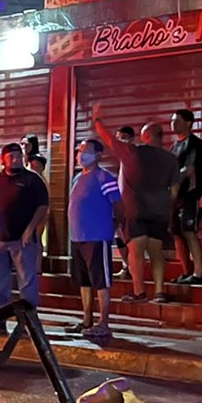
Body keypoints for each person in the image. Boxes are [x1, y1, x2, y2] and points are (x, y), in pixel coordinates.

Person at [93, 109, 181, 303]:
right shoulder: (171, 159)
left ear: (146, 136)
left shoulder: (133, 151)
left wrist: (97, 120)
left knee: (136, 252)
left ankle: (139, 292)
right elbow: (175, 189)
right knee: (157, 252)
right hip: (159, 211)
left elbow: (108, 138)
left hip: (135, 210)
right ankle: (159, 292)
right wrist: (167, 206)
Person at [68, 138, 123, 342]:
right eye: (79, 150)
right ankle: (87, 319)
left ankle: (104, 323)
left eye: (86, 150)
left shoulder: (104, 178)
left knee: (101, 281)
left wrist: (116, 226)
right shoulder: (77, 178)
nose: (80, 154)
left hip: (97, 237)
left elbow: (118, 206)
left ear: (98, 155)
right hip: (77, 238)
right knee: (84, 281)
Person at [0, 142, 50, 314]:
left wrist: (30, 229)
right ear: (3, 159)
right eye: (11, 157)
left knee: (27, 282)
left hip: (22, 240)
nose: (16, 160)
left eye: (19, 157)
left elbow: (43, 206)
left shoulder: (32, 179)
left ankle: (28, 321)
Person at [171, 108, 202, 283]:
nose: (173, 124)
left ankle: (199, 273)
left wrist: (174, 178)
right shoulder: (174, 146)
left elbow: (190, 169)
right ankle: (186, 271)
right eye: (172, 120)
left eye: (177, 120)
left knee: (189, 231)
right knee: (176, 232)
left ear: (188, 123)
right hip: (174, 196)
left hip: (190, 194)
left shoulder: (194, 143)